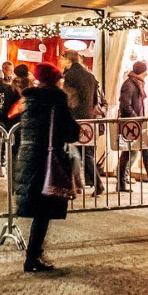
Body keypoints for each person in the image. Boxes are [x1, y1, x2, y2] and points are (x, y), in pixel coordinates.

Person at [13, 62, 80, 273]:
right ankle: (32, 256)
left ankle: (34, 253)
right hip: (46, 158)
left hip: (30, 157)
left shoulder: (29, 98)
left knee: (39, 210)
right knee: (43, 210)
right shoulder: (55, 98)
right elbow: (70, 131)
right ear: (54, 79)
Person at [60, 49, 101, 194]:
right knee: (85, 152)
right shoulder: (90, 76)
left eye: (63, 59)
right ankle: (85, 183)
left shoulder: (70, 75)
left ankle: (78, 184)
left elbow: (67, 97)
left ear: (68, 60)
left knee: (73, 151)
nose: (61, 62)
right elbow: (96, 99)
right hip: (88, 117)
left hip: (74, 117)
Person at [117, 60, 148, 190]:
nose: (146, 76)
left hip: (136, 124)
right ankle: (121, 182)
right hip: (131, 125)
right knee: (128, 154)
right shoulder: (129, 85)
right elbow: (125, 105)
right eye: (145, 74)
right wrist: (136, 119)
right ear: (140, 73)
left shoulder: (136, 84)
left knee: (144, 152)